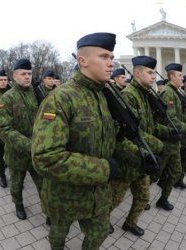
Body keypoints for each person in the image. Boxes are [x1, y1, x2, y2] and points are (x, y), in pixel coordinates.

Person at [32, 32, 120, 250]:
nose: (111, 63)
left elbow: (113, 137)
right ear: (83, 60)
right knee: (58, 235)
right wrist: (104, 169)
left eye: (111, 57)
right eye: (104, 57)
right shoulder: (61, 99)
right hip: (65, 197)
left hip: (98, 196)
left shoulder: (104, 96)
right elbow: (45, 157)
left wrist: (137, 156)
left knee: (99, 234)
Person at [110, 56, 164, 236]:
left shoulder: (145, 95)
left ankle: (130, 223)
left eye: (154, 73)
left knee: (143, 196)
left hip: (144, 158)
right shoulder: (129, 96)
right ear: (137, 73)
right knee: (114, 200)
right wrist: (152, 149)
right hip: (129, 160)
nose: (153, 77)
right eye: (149, 73)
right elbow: (126, 134)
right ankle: (102, 222)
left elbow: (148, 125)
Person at [0, 59, 43, 220]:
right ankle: (18, 204)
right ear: (14, 76)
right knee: (17, 184)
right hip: (17, 153)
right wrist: (30, 145)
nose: (27, 77)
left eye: (29, 74)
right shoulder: (7, 98)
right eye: (23, 74)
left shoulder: (36, 93)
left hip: (37, 152)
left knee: (44, 185)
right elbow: (4, 129)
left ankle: (48, 211)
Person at [155, 63, 186, 208]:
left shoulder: (175, 92)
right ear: (171, 76)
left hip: (174, 141)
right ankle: (141, 194)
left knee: (176, 171)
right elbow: (169, 119)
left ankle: (163, 198)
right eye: (179, 75)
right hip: (167, 141)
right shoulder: (168, 93)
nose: (182, 78)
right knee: (155, 174)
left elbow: (178, 116)